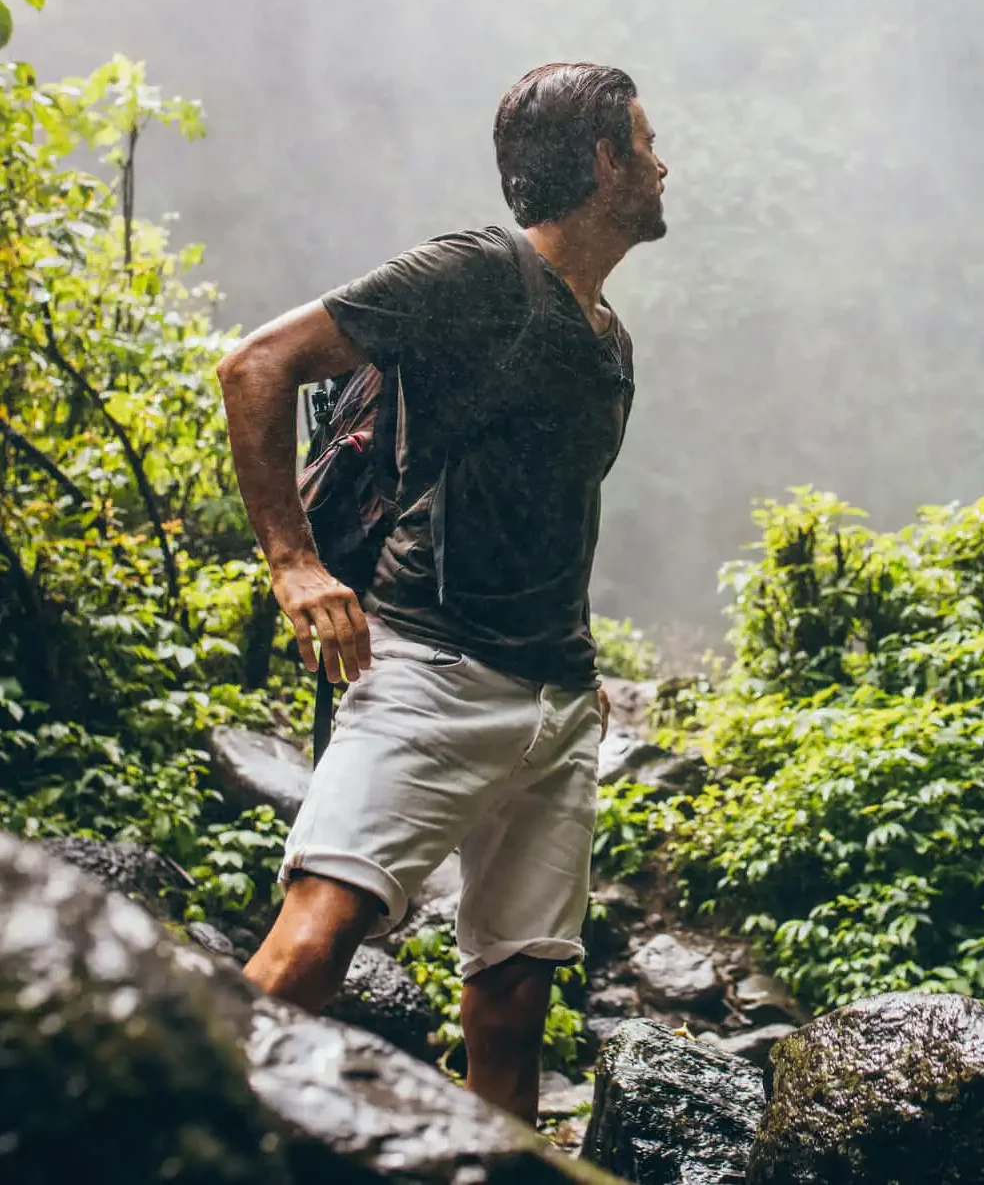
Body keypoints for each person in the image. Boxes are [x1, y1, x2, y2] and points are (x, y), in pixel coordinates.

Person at [215, 62, 666, 1120]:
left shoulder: (609, 341)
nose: (661, 162)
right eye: (645, 143)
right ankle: (154, 1140)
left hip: (555, 709)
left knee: (510, 1015)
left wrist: (579, 665)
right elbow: (256, 365)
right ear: (600, 160)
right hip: (428, 673)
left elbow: (549, 515)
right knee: (316, 942)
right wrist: (294, 563)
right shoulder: (476, 271)